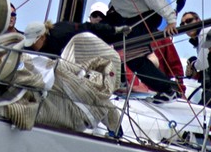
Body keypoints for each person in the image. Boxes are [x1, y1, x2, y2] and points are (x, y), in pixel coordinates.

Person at [90, 0, 179, 97]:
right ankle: (118, 80)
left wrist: (171, 19)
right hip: (122, 15)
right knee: (96, 34)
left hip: (145, 15)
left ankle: (168, 90)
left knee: (134, 58)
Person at [23, 20, 179, 99]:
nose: (33, 46)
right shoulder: (36, 46)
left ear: (42, 36)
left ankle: (169, 88)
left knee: (133, 59)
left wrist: (115, 31)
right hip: (74, 67)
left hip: (96, 49)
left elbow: (90, 28)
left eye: (34, 42)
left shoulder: (62, 33)